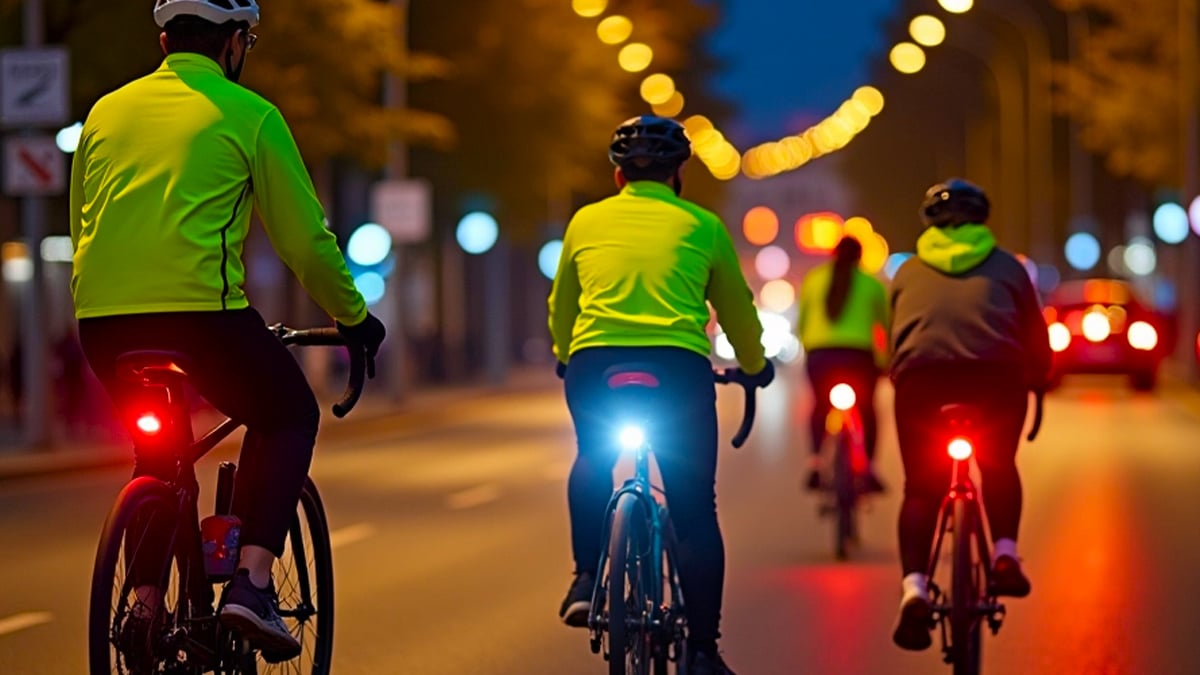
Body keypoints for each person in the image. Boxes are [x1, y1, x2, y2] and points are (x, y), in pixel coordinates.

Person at [70, 0, 385, 660]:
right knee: (287, 414)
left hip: (103, 322)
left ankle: (145, 604)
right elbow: (305, 243)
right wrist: (355, 319)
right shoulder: (251, 115)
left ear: (164, 39)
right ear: (236, 42)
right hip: (200, 318)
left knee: (157, 451)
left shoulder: (103, 112)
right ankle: (252, 580)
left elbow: (84, 225)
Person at [548, 115, 774, 675]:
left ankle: (583, 579)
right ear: (679, 175)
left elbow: (563, 305)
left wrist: (564, 352)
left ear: (618, 174)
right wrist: (754, 366)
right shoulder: (703, 226)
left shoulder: (585, 220)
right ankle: (702, 651)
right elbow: (739, 312)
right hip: (678, 369)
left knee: (593, 458)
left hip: (596, 363)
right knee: (696, 508)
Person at [887, 179, 1051, 651]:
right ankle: (1005, 554)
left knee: (921, 488)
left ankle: (914, 588)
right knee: (998, 464)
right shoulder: (1009, 268)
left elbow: (896, 334)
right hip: (996, 379)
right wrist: (1039, 379)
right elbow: (1034, 334)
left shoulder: (908, 270)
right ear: (983, 219)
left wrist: (899, 373)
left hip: (922, 382)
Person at [797, 235, 889, 492]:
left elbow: (803, 323)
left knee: (819, 407)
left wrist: (810, 350)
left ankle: (815, 464)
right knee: (868, 410)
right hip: (859, 357)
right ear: (860, 257)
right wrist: (885, 362)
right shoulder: (873, 285)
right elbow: (885, 327)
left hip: (820, 356)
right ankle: (869, 468)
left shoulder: (814, 279)